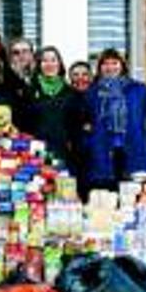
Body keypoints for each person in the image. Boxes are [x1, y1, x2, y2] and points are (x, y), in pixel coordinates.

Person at [84, 48, 146, 193]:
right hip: (102, 151)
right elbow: (83, 119)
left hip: (135, 149)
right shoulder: (92, 92)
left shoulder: (138, 89)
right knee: (107, 195)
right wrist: (88, 140)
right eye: (105, 64)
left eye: (114, 63)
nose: (110, 67)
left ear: (122, 65)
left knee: (134, 194)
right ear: (100, 67)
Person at [24, 46, 75, 167]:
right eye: (45, 60)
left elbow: (74, 122)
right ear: (39, 65)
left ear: (59, 63)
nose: (49, 64)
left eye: (53, 60)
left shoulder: (70, 91)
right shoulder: (29, 90)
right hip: (36, 152)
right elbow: (24, 122)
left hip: (64, 151)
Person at [65, 60, 93, 202]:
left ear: (91, 77)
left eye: (84, 74)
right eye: (75, 75)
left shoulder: (98, 97)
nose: (80, 78)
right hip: (73, 155)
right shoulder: (66, 99)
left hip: (95, 156)